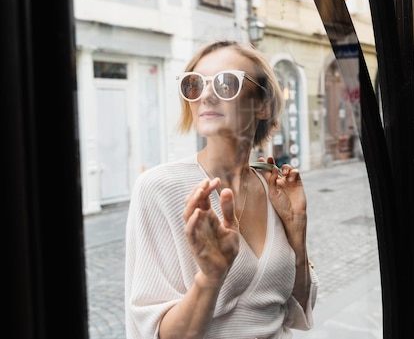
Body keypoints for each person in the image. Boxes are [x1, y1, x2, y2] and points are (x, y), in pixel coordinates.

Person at [125, 39, 318, 338]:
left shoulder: (274, 189)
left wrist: (297, 231)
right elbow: (151, 333)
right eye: (195, 84)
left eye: (227, 83)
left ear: (263, 104)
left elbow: (297, 310)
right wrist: (211, 277)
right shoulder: (159, 188)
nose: (207, 96)